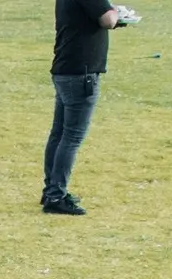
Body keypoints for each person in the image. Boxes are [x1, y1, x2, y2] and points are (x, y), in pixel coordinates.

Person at [43, 0, 135, 215]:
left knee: (59, 134)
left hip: (66, 67)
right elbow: (108, 19)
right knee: (71, 137)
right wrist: (116, 13)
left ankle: (51, 190)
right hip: (81, 74)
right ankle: (56, 196)